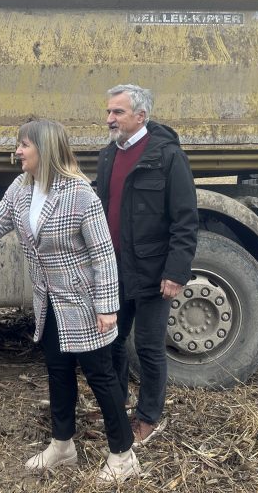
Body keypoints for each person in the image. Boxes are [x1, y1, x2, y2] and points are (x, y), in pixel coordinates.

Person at [0, 119, 140, 482]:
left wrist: (108, 306)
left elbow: (103, 254)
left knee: (101, 377)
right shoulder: (21, 187)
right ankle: (63, 445)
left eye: (24, 145)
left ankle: (123, 453)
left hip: (84, 304)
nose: (17, 151)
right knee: (58, 373)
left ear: (45, 150)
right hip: (48, 302)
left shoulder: (80, 193)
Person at [96, 84, 198, 447]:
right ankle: (117, 403)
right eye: (109, 111)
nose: (109, 119)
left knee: (150, 347)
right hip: (114, 268)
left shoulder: (167, 156)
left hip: (154, 272)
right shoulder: (108, 155)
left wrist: (175, 272)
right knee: (112, 340)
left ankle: (148, 416)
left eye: (117, 112)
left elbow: (185, 220)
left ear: (140, 116)